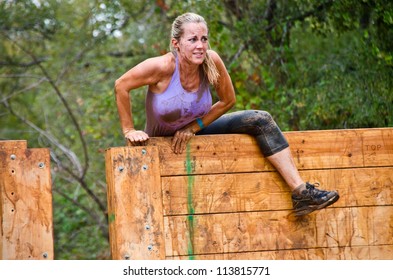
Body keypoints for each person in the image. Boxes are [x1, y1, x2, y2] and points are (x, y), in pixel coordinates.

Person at [114, 12, 339, 216]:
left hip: (196, 134)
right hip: (161, 143)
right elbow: (121, 85)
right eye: (192, 39)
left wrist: (194, 127)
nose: (200, 45)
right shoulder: (161, 67)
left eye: (204, 39)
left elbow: (228, 101)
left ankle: (301, 194)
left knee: (260, 120)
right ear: (176, 44)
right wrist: (129, 130)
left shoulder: (211, 62)